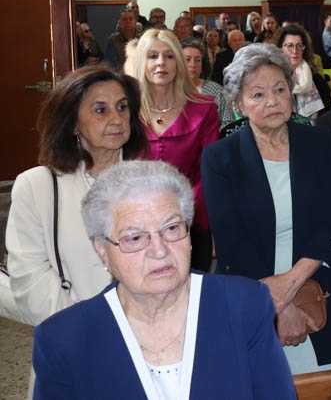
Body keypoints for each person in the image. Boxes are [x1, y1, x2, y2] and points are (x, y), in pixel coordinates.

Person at [31, 160, 296, 399]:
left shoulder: (244, 305)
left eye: (171, 228)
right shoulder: (64, 340)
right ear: (102, 250)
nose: (159, 251)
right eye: (135, 237)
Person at [202, 43, 331, 374]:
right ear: (238, 104)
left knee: (327, 386)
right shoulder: (220, 158)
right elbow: (231, 245)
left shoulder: (321, 144)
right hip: (250, 291)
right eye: (257, 94)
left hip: (316, 288)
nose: (272, 101)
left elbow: (330, 225)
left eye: (280, 89)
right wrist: (278, 307)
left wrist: (290, 289)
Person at [5, 67, 146, 327]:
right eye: (101, 110)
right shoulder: (36, 186)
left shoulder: (152, 182)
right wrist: (87, 328)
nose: (117, 119)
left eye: (122, 107)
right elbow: (30, 282)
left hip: (145, 332)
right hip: (70, 332)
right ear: (72, 122)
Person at [125, 29, 220, 272]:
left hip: (189, 222)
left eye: (169, 56)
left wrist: (178, 213)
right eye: (152, 56)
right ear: (141, 62)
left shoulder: (204, 109)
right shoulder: (126, 111)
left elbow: (208, 172)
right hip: (134, 224)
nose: (161, 63)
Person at [275, 23, 331, 120]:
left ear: (304, 49)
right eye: (290, 46)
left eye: (299, 45)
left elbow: (328, 113)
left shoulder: (316, 78)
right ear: (280, 48)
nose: (295, 51)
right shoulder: (273, 79)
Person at [181, 38, 233, 128]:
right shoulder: (169, 90)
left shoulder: (216, 90)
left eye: (198, 60)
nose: (193, 65)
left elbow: (227, 123)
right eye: (187, 59)